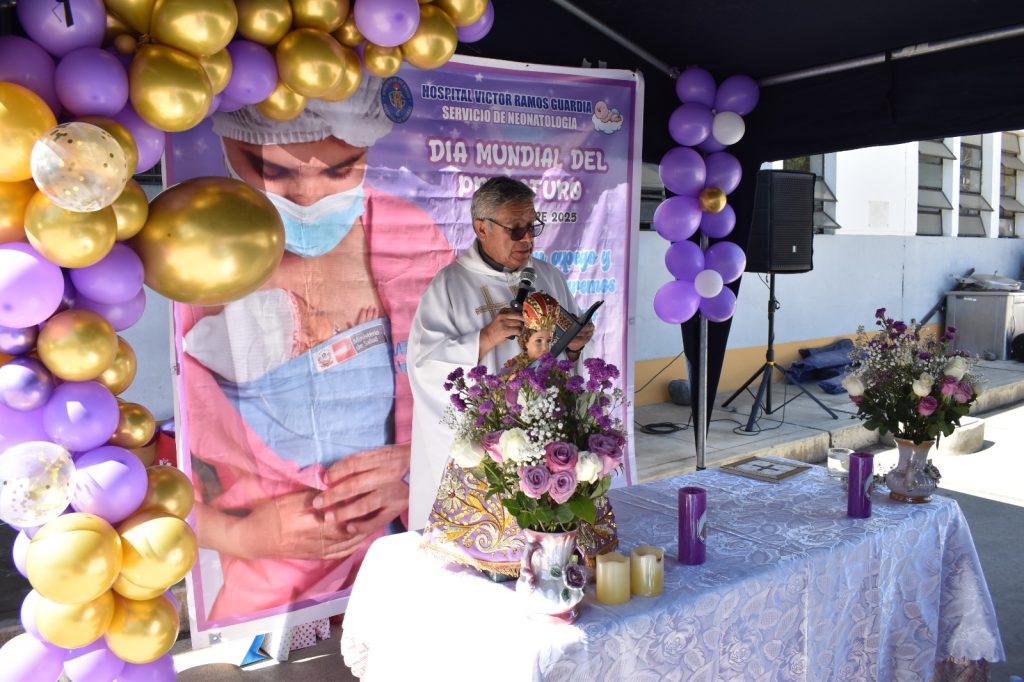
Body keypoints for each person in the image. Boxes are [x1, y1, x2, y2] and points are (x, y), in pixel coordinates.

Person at [178, 75, 454, 623]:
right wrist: (239, 535)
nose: (307, 197)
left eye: (340, 169)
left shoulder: (409, 235)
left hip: (411, 571)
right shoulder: (193, 254)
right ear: (228, 143)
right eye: (274, 171)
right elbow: (115, 470)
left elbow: (479, 401)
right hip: (273, 594)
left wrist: (421, 470)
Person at [406, 176, 593, 530]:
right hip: (485, 442)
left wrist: (575, 348)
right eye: (516, 229)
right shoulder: (449, 286)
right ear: (482, 228)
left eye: (532, 227)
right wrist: (485, 338)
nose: (527, 239)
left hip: (541, 433)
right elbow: (423, 364)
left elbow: (570, 357)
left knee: (539, 532)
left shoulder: (549, 278)